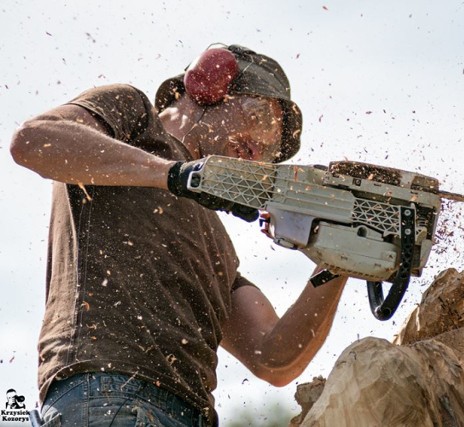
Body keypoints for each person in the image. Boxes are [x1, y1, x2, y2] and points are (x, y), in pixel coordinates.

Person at [10, 43, 347, 427]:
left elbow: (272, 357)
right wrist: (175, 174)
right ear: (209, 82)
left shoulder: (217, 242)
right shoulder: (134, 117)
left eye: (270, 152)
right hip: (107, 391)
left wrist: (337, 261)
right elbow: (35, 140)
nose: (258, 152)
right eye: (258, 120)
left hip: (191, 415)